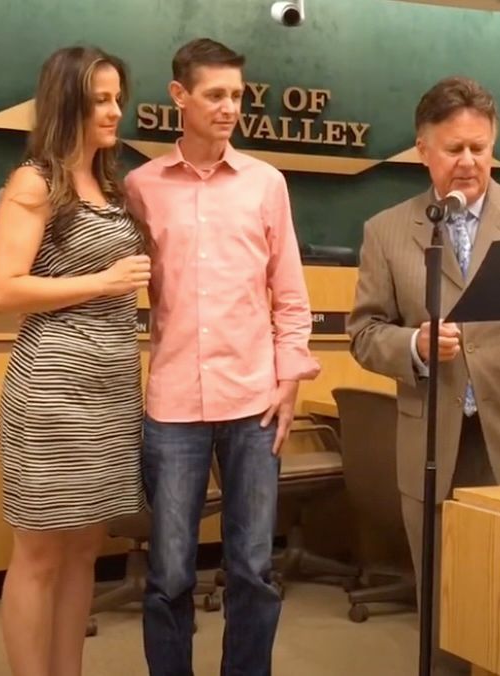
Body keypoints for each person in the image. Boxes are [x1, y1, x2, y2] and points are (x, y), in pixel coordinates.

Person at [347, 75, 500, 675]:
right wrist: (414, 343)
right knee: (446, 603)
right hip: (436, 441)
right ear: (422, 150)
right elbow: (363, 333)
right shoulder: (387, 230)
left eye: (479, 149)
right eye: (454, 149)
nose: (468, 162)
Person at [123, 38, 320, 676]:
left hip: (254, 402)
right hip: (174, 403)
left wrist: (290, 379)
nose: (229, 106)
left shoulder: (267, 184)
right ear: (180, 96)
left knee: (253, 569)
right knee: (171, 572)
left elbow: (290, 296)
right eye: (215, 94)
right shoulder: (141, 187)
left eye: (237, 94)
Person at [0, 46, 148, 676]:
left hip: (109, 391)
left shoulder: (110, 183)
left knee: (85, 550)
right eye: (100, 99)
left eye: (116, 97)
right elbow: (3, 290)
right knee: (39, 554)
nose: (115, 110)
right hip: (53, 390)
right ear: (68, 103)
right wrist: (104, 282)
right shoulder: (37, 179)